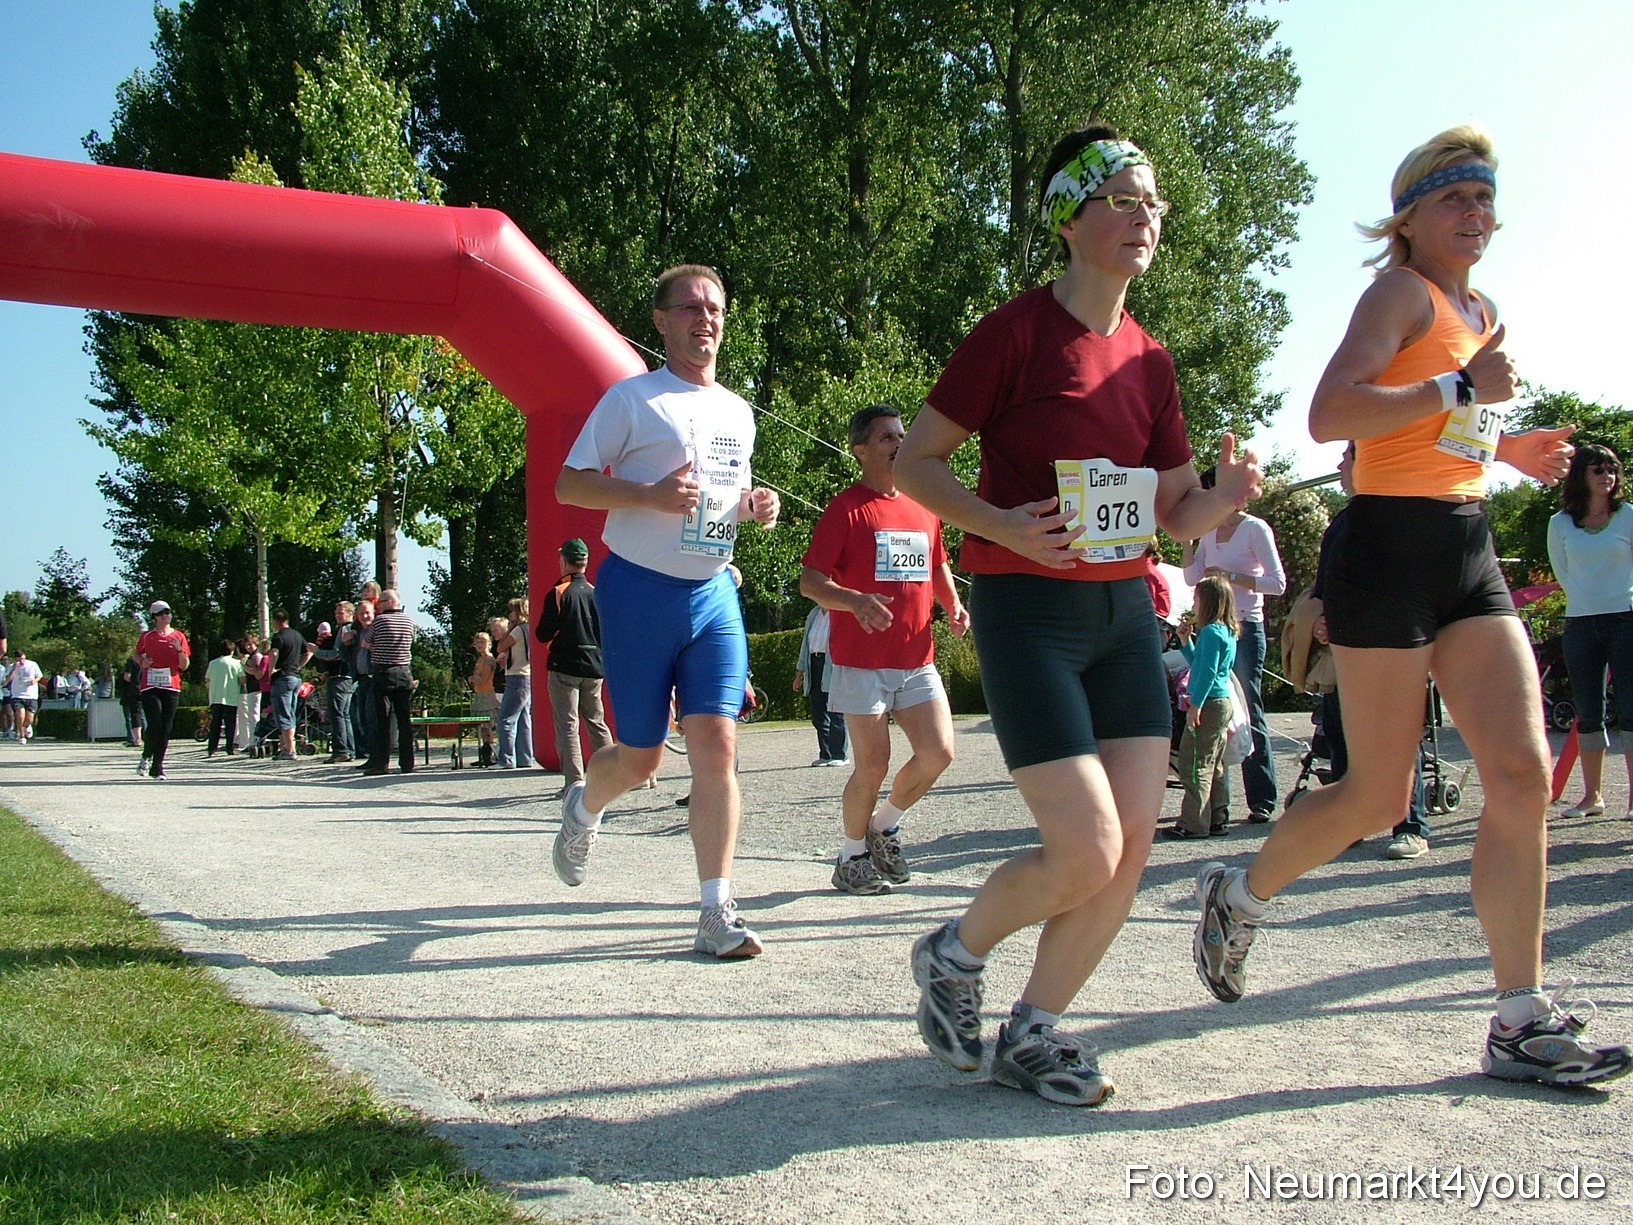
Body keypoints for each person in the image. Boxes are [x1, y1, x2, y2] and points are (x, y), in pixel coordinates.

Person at [1190, 125, 1630, 1088]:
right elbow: (1332, 414)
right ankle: (1242, 888)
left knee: (1516, 774)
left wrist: (1502, 450)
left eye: (1485, 200)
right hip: (1384, 547)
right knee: (1378, 795)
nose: (1477, 216)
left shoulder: (1480, 306)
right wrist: (1458, 382)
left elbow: (1445, 430)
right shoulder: (1396, 292)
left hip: (1463, 543)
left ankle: (1518, 1014)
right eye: (1456, 200)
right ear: (1411, 216)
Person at [893, 126, 1260, 1105]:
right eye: (1124, 198)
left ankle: (1036, 1029)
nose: (1145, 215)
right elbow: (915, 463)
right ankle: (955, 952)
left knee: (1130, 848)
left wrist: (1224, 496)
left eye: (1153, 202)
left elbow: (1176, 511)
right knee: (1085, 847)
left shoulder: (1151, 363)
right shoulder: (1012, 333)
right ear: (1071, 215)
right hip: (1028, 614)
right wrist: (1000, 526)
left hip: (1123, 619)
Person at [553, 262, 780, 959]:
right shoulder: (632, 399)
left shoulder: (737, 412)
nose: (704, 319)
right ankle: (585, 804)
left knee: (718, 743)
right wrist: (647, 495)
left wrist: (757, 507)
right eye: (688, 307)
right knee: (644, 759)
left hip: (711, 591)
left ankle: (716, 909)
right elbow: (568, 485)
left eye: (714, 307)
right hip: (638, 591)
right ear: (660, 321)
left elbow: (723, 500)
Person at [800, 403, 969, 895]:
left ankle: (883, 826)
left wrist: (954, 605)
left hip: (916, 658)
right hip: (861, 661)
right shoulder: (845, 509)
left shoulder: (923, 503)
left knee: (939, 752)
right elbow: (812, 582)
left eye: (902, 435)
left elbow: (938, 565)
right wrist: (853, 600)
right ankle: (850, 857)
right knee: (872, 764)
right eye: (887, 438)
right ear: (861, 450)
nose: (899, 443)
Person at [1308, 441, 1433, 859]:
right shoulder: (1340, 524)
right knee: (1342, 732)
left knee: (1398, 733)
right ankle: (1349, 823)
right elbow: (1324, 588)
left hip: (1396, 641)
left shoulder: (1404, 515)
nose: (1341, 465)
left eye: (1348, 458)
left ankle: (1410, 826)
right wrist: (1323, 623)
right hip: (1346, 645)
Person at [1181, 475, 1285, 825]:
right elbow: (1192, 578)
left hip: (1245, 626)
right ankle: (1215, 805)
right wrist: (1187, 538)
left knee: (1248, 709)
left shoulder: (1255, 529)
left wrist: (1230, 576)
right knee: (1215, 712)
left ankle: (1262, 798)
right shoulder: (1208, 531)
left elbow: (1278, 583)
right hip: (1215, 626)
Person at [1548, 444, 1633, 821]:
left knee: (1631, 711)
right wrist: (1586, 602)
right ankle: (1592, 796)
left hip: (1626, 620)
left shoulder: (1629, 516)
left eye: (1611, 469)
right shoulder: (1559, 524)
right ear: (1580, 475)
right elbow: (1564, 573)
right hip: (1580, 622)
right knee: (1588, 712)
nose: (1606, 476)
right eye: (1597, 469)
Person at [535, 538, 613, 792]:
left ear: (564, 561)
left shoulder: (558, 593)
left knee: (568, 725)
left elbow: (543, 633)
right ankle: (608, 778)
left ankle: (574, 782)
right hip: (594, 666)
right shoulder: (596, 592)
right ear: (585, 563)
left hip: (564, 665)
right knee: (596, 722)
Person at [1166, 576, 1238, 840]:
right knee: (1214, 763)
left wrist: (1194, 704)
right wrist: (1186, 641)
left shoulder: (1210, 632)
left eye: (1197, 598)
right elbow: (1201, 663)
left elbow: (1205, 672)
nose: (1194, 603)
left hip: (1207, 702)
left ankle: (1193, 824)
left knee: (1194, 762)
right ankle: (1217, 818)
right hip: (1222, 701)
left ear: (1207, 601)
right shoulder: (1226, 631)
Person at [363, 589, 415, 776]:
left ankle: (381, 763)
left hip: (383, 672)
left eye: (380, 602)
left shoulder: (380, 621)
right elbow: (412, 641)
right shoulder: (409, 621)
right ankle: (407, 762)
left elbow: (366, 642)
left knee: (382, 720)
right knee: (404, 719)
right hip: (404, 672)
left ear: (387, 603)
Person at [136, 601, 190, 779]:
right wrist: (142, 663)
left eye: (168, 612)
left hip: (171, 685)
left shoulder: (179, 636)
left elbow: (185, 665)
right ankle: (146, 756)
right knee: (155, 724)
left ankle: (157, 766)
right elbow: (137, 654)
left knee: (166, 728)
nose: (166, 616)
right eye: (161, 613)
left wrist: (179, 650)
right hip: (150, 685)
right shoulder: (147, 636)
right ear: (154, 618)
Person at [794, 606, 848, 767]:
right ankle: (826, 753)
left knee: (835, 711)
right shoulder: (813, 614)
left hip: (833, 665)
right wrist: (799, 673)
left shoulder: (840, 611)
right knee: (818, 712)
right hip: (813, 663)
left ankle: (840, 754)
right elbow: (805, 644)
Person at [311, 603, 358, 762]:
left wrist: (316, 651)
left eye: (341, 613)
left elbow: (335, 654)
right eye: (336, 613)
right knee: (345, 715)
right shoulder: (348, 629)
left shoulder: (345, 630)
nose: (337, 616)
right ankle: (350, 748)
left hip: (339, 676)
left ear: (350, 613)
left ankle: (340, 750)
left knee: (337, 713)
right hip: (348, 676)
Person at [494, 596, 535, 768]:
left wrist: (509, 629)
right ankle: (525, 758)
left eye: (511, 611)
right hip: (527, 676)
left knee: (505, 719)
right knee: (524, 719)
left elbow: (500, 646)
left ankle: (506, 759)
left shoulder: (517, 630)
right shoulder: (529, 629)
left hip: (516, 678)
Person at [266, 609, 308, 762]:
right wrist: (298, 666)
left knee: (283, 712)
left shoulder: (278, 636)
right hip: (295, 677)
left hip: (282, 677)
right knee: (291, 712)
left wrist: (271, 670)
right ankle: (287, 746)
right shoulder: (297, 635)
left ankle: (290, 749)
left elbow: (274, 653)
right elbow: (308, 652)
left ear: (275, 621)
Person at [205, 639, 243, 756]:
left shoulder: (213, 663)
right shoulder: (237, 663)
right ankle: (229, 748)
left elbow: (207, 679)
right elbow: (242, 679)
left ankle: (212, 748)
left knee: (215, 723)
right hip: (231, 697)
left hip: (216, 696)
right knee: (230, 724)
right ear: (232, 650)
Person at [468, 630, 499, 766]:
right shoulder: (480, 659)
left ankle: (491, 752)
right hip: (479, 694)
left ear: (489, 643)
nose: (480, 645)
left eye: (483, 642)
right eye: (478, 642)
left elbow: (482, 679)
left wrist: (473, 678)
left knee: (488, 725)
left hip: (488, 695)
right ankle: (485, 752)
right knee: (482, 727)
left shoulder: (489, 659)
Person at [6, 648, 44, 742]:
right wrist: (14, 669)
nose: (21, 662)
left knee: (30, 718)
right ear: (15, 659)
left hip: (31, 695)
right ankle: (21, 736)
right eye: (19, 660)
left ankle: (27, 725)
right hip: (17, 694)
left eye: (23, 659)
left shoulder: (32, 664)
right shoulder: (11, 666)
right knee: (20, 715)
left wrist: (34, 681)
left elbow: (39, 676)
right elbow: (7, 679)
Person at [237, 633, 264, 752]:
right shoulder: (252, 655)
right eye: (246, 645)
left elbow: (258, 672)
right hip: (252, 689)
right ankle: (253, 740)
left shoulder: (256, 656)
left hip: (256, 689)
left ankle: (255, 740)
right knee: (251, 716)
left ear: (255, 644)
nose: (248, 647)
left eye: (250, 644)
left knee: (254, 715)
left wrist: (245, 667)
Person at [118, 652, 144, 749]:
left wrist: (133, 683)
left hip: (133, 691)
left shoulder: (132, 661)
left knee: (133, 715)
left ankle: (135, 739)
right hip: (144, 689)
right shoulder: (147, 661)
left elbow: (127, 676)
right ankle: (146, 736)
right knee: (142, 715)